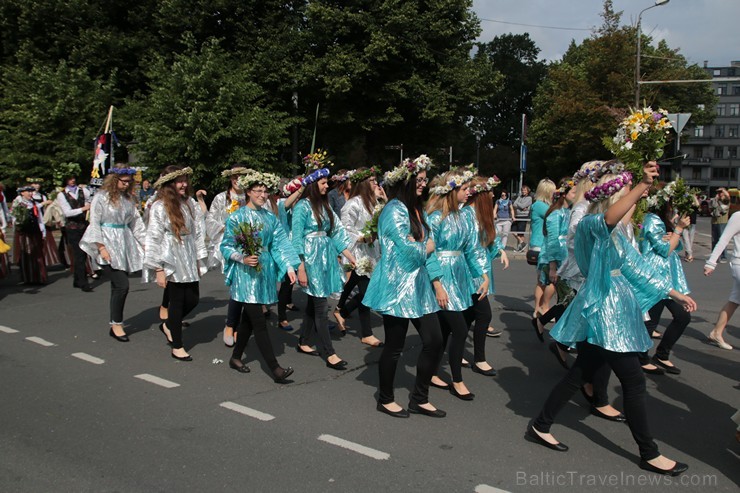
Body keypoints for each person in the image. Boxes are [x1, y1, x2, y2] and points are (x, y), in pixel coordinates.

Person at [527, 162, 697, 477]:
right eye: (624, 196)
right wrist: (642, 185)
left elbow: (636, 267)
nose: (630, 204)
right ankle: (650, 453)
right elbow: (609, 218)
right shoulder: (591, 224)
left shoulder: (615, 234)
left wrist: (673, 293)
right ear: (612, 197)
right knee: (633, 381)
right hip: (605, 312)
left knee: (578, 374)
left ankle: (540, 424)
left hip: (614, 308)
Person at [364, 155, 448, 418]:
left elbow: (426, 253)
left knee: (434, 341)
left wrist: (437, 283)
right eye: (419, 180)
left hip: (420, 288)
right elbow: (406, 250)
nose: (423, 184)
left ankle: (419, 398)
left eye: (425, 180)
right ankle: (385, 398)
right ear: (406, 182)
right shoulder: (393, 210)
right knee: (394, 346)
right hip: (397, 288)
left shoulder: (416, 210)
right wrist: (427, 246)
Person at [220, 170, 298, 382]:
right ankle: (275, 369)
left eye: (265, 191)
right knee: (259, 321)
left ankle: (236, 358)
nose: (263, 195)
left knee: (248, 320)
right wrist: (241, 258)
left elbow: (279, 245)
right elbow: (226, 246)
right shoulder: (236, 217)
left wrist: (290, 267)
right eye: (258, 191)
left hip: (264, 272)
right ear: (248, 192)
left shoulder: (270, 218)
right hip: (245, 274)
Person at [426, 169, 488, 400]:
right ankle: (457, 380)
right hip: (442, 276)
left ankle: (431, 372)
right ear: (452, 191)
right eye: (464, 189)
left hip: (460, 276)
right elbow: (429, 254)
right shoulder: (434, 218)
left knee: (445, 330)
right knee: (460, 330)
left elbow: (471, 249)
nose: (468, 192)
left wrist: (481, 274)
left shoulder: (465, 217)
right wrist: (437, 285)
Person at [292, 166, 356, 370]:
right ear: (313, 185)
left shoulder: (325, 204)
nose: (327, 185)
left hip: (324, 259)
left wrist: (349, 255)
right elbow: (296, 237)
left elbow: (337, 231)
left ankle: (303, 341)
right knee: (321, 307)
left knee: (315, 302)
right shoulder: (302, 206)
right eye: (323, 183)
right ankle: (329, 353)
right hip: (310, 260)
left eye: (327, 182)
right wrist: (300, 266)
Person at [144, 166, 207, 361]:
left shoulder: (189, 203)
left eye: (185, 180)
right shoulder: (160, 206)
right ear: (170, 184)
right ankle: (177, 346)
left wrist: (198, 258)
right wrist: (159, 268)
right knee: (178, 301)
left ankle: (169, 324)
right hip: (170, 254)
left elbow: (197, 231)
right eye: (179, 180)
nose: (184, 184)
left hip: (187, 254)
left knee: (193, 299)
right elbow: (153, 237)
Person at [80, 167, 146, 342]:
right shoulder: (101, 198)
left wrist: (145, 243)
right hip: (107, 241)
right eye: (122, 181)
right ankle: (116, 324)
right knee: (121, 285)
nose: (125, 185)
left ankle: (115, 321)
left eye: (128, 182)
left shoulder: (128, 199)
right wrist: (101, 247)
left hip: (123, 242)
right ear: (114, 180)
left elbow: (136, 223)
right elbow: (94, 222)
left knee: (118, 285)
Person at [638, 192, 692, 375]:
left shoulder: (660, 220)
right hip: (655, 276)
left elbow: (675, 246)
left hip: (667, 277)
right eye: (671, 203)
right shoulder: (652, 219)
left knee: (682, 316)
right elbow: (663, 249)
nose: (673, 207)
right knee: (651, 321)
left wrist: (674, 234)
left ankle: (661, 354)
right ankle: (642, 358)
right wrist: (678, 230)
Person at [334, 167, 384, 347]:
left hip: (371, 250)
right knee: (366, 292)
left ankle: (342, 311)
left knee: (358, 282)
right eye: (371, 180)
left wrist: (384, 201)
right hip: (358, 251)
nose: (375, 184)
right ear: (363, 183)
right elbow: (344, 230)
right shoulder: (352, 204)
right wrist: (361, 237)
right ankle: (366, 333)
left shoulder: (374, 202)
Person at [464, 176, 509, 374]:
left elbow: (489, 238)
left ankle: (457, 353)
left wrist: (500, 250)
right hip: (469, 272)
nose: (493, 195)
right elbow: (469, 249)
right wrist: (480, 273)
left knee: (467, 316)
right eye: (490, 191)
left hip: (480, 271)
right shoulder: (467, 215)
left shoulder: (480, 215)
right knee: (483, 314)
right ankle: (479, 359)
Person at [205, 165, 251, 347]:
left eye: (241, 178)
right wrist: (226, 227)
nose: (237, 181)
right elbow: (210, 219)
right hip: (229, 246)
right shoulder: (221, 198)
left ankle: (237, 324)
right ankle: (231, 325)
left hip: (248, 246)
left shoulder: (249, 197)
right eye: (234, 178)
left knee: (245, 287)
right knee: (236, 286)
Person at [532, 178, 576, 366]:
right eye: (574, 192)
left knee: (567, 299)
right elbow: (551, 242)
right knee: (569, 298)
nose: (576, 195)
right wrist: (552, 266)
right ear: (564, 194)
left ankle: (552, 329)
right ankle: (557, 336)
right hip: (555, 261)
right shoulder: (554, 215)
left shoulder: (567, 212)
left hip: (566, 261)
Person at [704, 209, 740, 350]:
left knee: (735, 300)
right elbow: (724, 239)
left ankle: (716, 332)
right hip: (739, 263)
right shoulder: (738, 217)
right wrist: (711, 262)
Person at [55, 176, 93, 291]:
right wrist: (83, 209)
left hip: (84, 225)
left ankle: (77, 279)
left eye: (73, 178)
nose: (72, 181)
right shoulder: (62, 195)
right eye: (69, 179)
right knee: (78, 253)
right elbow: (67, 213)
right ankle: (83, 282)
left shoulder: (83, 191)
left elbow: (91, 198)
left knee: (84, 252)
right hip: (72, 227)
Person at [530, 179, 556, 317]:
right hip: (540, 245)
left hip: (542, 244)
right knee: (542, 280)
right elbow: (554, 215)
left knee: (543, 280)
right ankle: (538, 309)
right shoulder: (540, 206)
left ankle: (540, 308)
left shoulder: (540, 205)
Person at [12, 185, 47, 284]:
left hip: (35, 231)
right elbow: (14, 218)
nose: (31, 193)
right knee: (27, 254)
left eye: (31, 191)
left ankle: (39, 277)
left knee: (37, 253)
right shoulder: (18, 203)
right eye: (28, 191)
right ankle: (28, 278)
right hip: (25, 232)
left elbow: (39, 218)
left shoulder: (34, 203)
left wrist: (42, 230)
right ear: (22, 193)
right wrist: (19, 224)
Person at [709, 188, 730, 263]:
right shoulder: (715, 200)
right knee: (714, 240)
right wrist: (715, 199)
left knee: (722, 239)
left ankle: (724, 257)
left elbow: (728, 197)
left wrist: (723, 190)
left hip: (722, 222)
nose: (719, 194)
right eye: (718, 192)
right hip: (714, 222)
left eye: (721, 192)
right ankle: (714, 257)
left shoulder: (725, 201)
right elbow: (711, 207)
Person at [512, 185, 532, 252]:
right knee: (513, 230)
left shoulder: (529, 198)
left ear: (527, 191)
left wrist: (519, 205)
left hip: (524, 216)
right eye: (522, 190)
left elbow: (521, 205)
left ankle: (520, 248)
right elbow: (514, 204)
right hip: (517, 215)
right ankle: (522, 244)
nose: (523, 191)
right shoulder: (519, 197)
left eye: (525, 190)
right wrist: (521, 206)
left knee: (521, 233)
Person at [681, 194, 700, 262]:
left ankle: (688, 254)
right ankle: (690, 255)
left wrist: (694, 197)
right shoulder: (685, 205)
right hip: (686, 223)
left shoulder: (694, 205)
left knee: (690, 241)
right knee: (686, 240)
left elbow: (698, 205)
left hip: (692, 223)